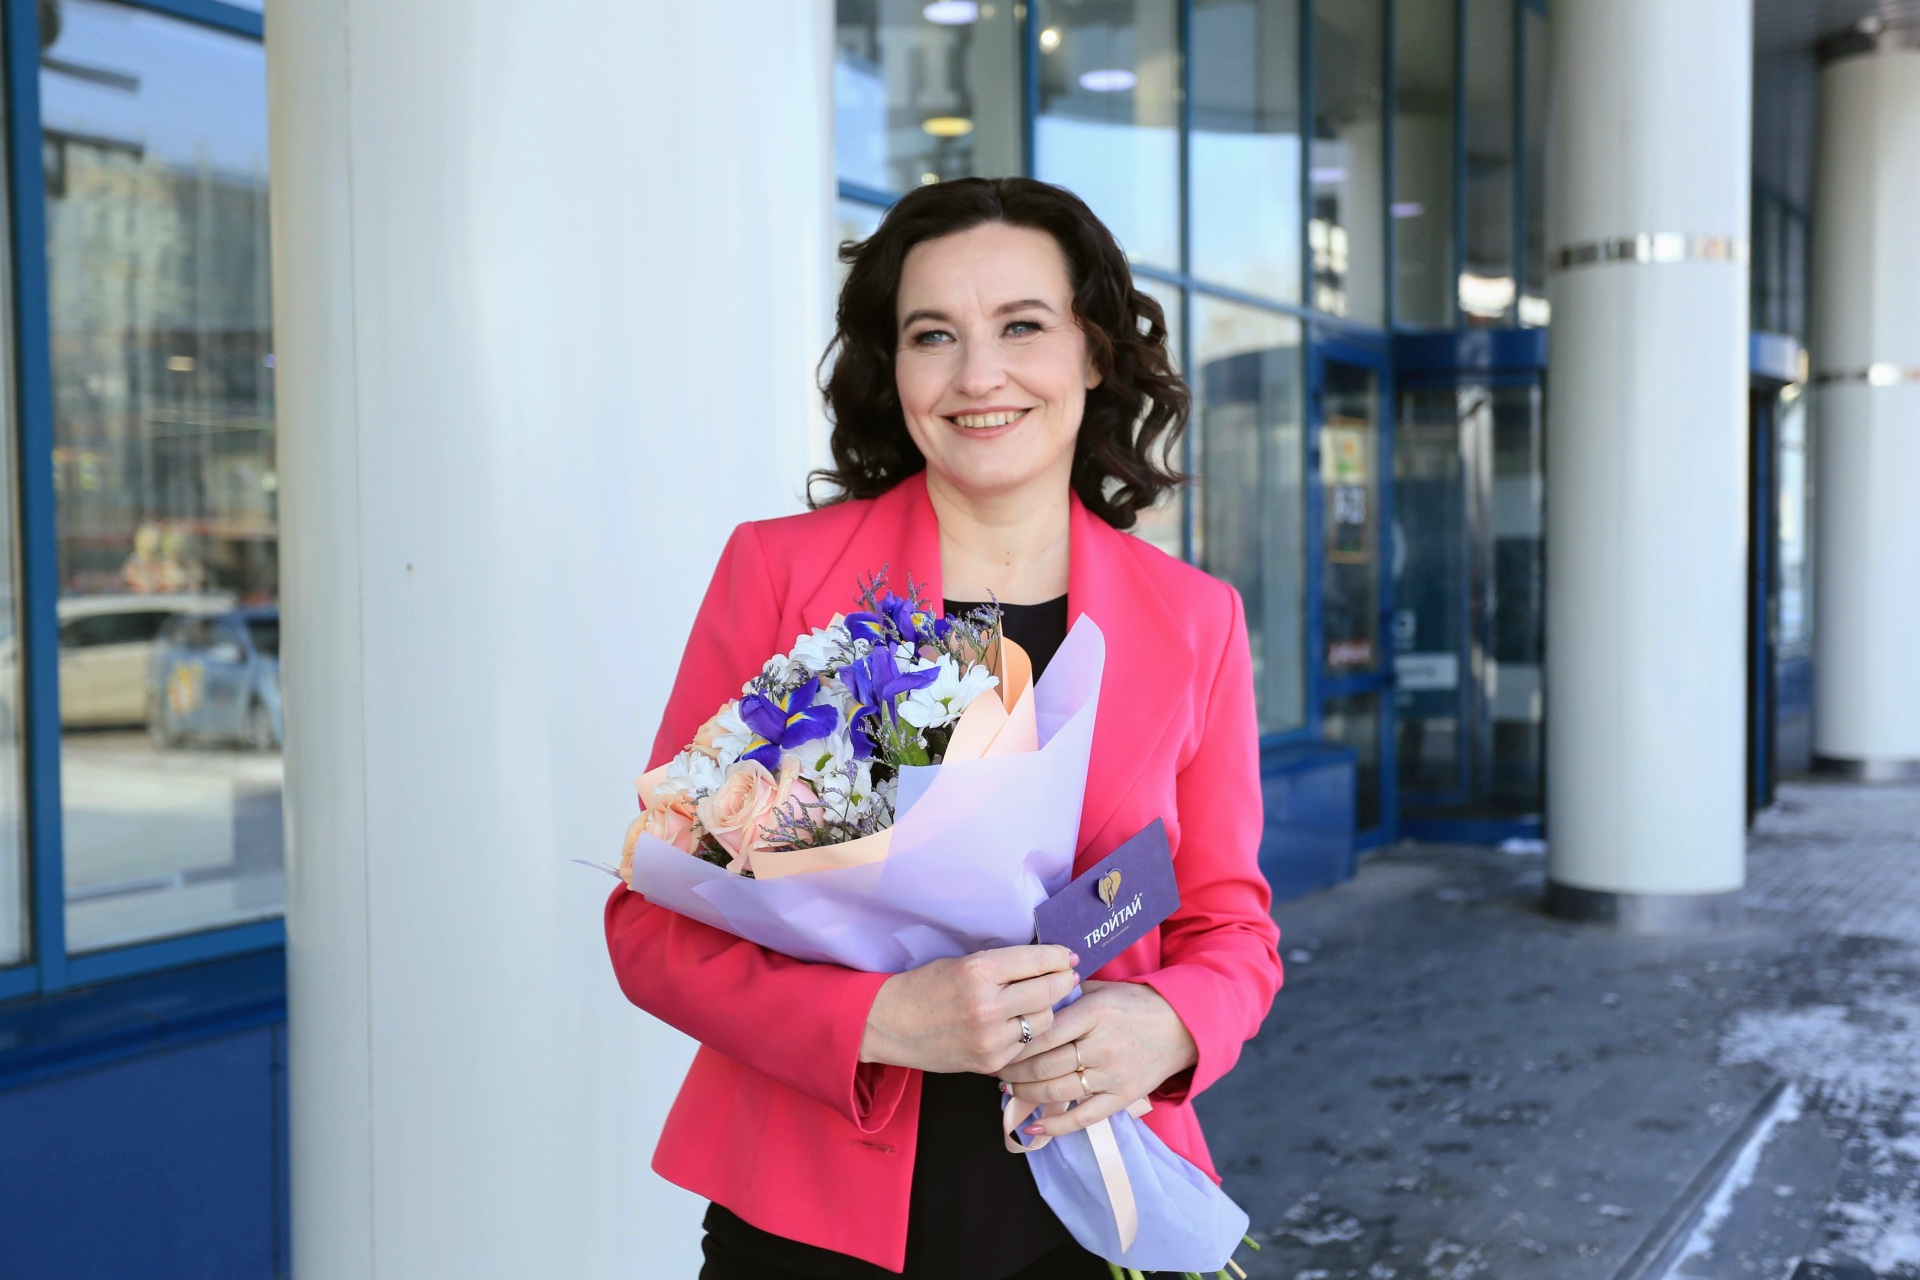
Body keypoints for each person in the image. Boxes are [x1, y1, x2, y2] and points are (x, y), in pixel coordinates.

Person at [605, 176, 1283, 1279]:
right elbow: (653, 920)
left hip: (1092, 1212)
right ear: (894, 366)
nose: (978, 375)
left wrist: (1167, 1025)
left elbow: (1233, 929)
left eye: (1022, 325)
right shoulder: (781, 575)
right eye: (933, 335)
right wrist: (877, 1019)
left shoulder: (1195, 619)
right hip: (807, 1219)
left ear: (1095, 353)